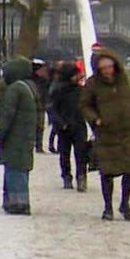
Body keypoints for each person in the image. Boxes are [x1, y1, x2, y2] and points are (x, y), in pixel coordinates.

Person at [81, 46, 130, 221]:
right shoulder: (92, 84)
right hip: (107, 132)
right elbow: (85, 105)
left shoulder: (127, 78)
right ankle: (108, 207)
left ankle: (125, 203)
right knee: (107, 171)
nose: (107, 71)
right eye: (103, 68)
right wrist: (96, 119)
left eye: (109, 67)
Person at [0, 56, 39, 214]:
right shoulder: (29, 87)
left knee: (14, 169)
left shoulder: (14, 89)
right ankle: (17, 200)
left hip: (15, 137)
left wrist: (0, 133)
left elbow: (7, 114)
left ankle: (18, 203)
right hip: (25, 136)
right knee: (21, 169)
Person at [49, 61, 89, 191]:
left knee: (80, 153)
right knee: (65, 153)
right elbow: (52, 109)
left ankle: (80, 176)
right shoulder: (59, 91)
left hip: (78, 125)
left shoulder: (81, 90)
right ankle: (67, 176)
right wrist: (60, 123)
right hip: (65, 127)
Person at [33, 60, 55, 154]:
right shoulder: (33, 82)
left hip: (41, 106)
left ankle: (39, 146)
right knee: (35, 126)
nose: (45, 71)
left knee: (40, 127)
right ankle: (36, 145)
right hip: (34, 106)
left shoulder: (45, 81)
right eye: (43, 70)